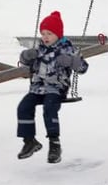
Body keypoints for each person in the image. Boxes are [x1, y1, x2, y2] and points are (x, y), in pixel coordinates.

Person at [16, 11, 89, 163]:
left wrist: (71, 62)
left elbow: (83, 68)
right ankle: (30, 141)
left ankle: (54, 144)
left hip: (57, 88)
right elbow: (25, 63)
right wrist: (26, 56)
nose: (45, 37)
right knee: (23, 107)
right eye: (43, 33)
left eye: (49, 33)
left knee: (49, 108)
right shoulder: (39, 49)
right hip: (38, 88)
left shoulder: (67, 49)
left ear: (58, 34)